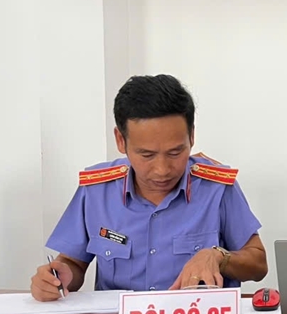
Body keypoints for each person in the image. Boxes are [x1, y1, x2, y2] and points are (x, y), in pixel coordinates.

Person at [30, 74, 267, 301]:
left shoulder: (217, 188)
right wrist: (58, 278)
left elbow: (258, 264)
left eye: (175, 152)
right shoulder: (95, 191)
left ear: (191, 137)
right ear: (120, 140)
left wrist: (218, 256)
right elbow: (73, 263)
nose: (162, 170)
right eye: (147, 155)